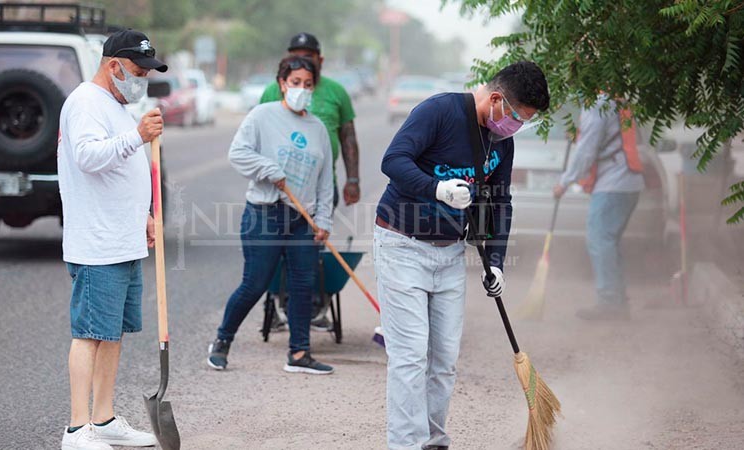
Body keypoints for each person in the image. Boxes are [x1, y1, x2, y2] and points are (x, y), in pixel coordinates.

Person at [374, 61, 550, 449]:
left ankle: (434, 441)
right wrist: (437, 189)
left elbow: (501, 202)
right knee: (410, 357)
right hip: (402, 245)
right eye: (517, 117)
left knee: (444, 361)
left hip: (450, 252)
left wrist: (497, 263)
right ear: (497, 99)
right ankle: (406, 444)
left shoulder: (501, 141)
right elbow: (393, 161)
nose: (516, 126)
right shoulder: (439, 111)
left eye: (524, 122)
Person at [58, 29, 167, 450]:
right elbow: (88, 157)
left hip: (123, 239)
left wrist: (144, 215)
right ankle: (76, 428)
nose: (142, 80)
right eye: (138, 71)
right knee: (89, 333)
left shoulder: (117, 106)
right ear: (114, 66)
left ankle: (103, 419)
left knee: (112, 333)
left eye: (147, 72)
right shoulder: (86, 102)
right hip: (97, 243)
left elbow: (122, 170)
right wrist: (138, 135)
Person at [207, 55, 335, 375]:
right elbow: (238, 153)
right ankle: (222, 341)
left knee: (303, 285)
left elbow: (326, 180)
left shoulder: (318, 129)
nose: (302, 89)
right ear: (282, 83)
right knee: (255, 283)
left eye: (308, 84)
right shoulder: (262, 116)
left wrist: (323, 222)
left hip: (303, 219)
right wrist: (267, 169)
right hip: (265, 213)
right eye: (295, 82)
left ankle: (299, 353)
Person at [259, 32, 361, 330]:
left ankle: (312, 306)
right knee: (275, 249)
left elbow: (348, 137)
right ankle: (279, 302)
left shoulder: (336, 92)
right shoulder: (271, 91)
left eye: (308, 55)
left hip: (320, 188)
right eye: (295, 55)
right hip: (279, 190)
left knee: (309, 248)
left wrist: (352, 179)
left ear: (320, 60)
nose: (301, 60)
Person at [553, 96, 644, 320]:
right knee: (608, 242)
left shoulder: (597, 104)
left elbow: (586, 151)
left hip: (614, 183)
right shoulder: (616, 98)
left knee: (600, 240)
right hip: (627, 182)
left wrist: (564, 182)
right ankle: (618, 302)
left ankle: (611, 303)